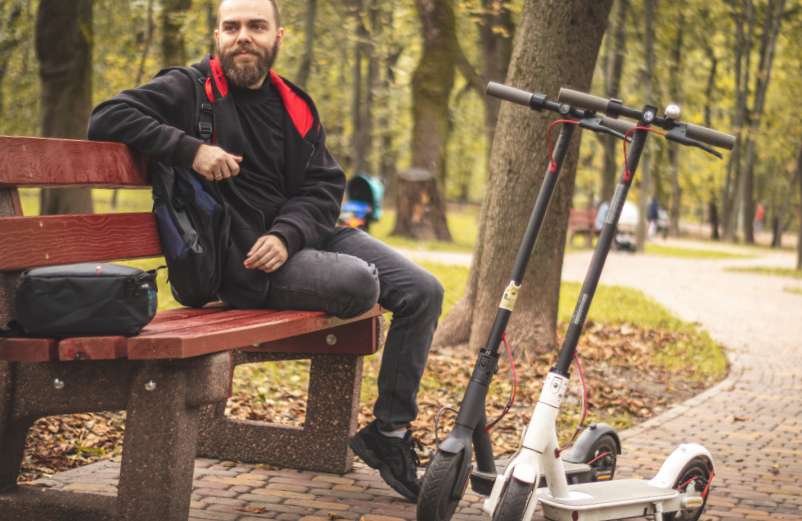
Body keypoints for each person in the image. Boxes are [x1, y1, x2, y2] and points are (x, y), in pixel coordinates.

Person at [88, 0, 442, 502]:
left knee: (423, 290)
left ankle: (388, 435)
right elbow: (105, 117)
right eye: (231, 27)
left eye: (256, 26)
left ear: (280, 36)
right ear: (218, 35)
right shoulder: (190, 90)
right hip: (241, 263)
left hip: (302, 240)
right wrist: (191, 149)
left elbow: (323, 186)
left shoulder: (293, 102)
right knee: (359, 282)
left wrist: (287, 235)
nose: (243, 37)